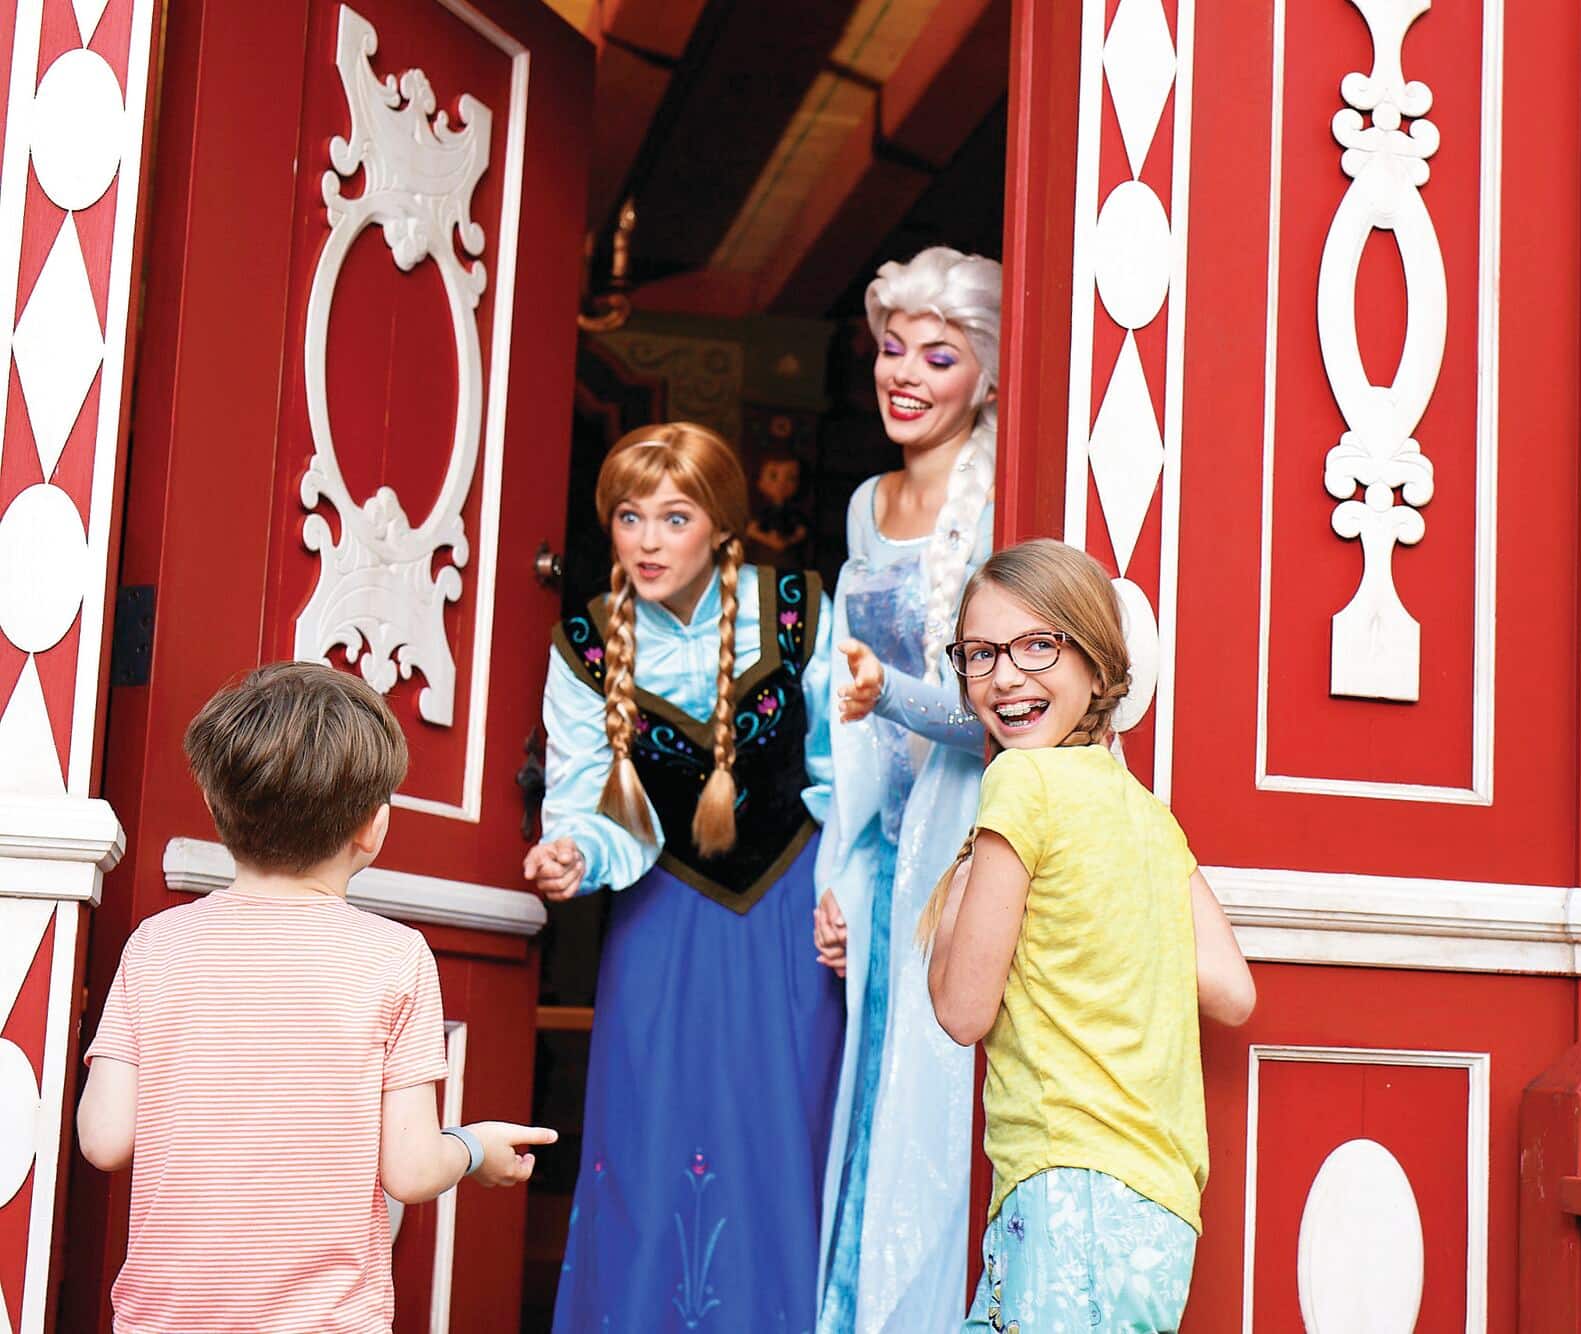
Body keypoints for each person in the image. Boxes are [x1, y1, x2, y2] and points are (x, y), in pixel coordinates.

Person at [75, 662, 551, 1333]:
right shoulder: (394, 957)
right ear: (373, 828)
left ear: (216, 808)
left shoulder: (157, 946)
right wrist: (473, 1149)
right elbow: (413, 1170)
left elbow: (104, 1139)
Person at [524, 422, 841, 1332]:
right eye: (630, 518)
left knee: (782, 1139)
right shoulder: (585, 644)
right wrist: (572, 855)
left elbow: (845, 780)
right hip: (661, 929)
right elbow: (589, 803)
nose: (649, 540)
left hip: (790, 920)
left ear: (720, 526)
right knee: (651, 1141)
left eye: (675, 516)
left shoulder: (800, 609)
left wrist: (850, 898)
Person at [921, 540, 1258, 1333]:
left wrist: (967, 868)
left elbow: (963, 1009)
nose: (1005, 676)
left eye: (1039, 646)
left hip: (1065, 1188)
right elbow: (1233, 991)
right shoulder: (1144, 813)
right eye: (980, 654)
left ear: (1099, 667)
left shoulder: (1021, 783)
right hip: (1159, 1205)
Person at [809, 245, 1000, 1332]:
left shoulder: (997, 499)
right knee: (872, 1104)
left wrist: (892, 692)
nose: (908, 372)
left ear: (983, 373)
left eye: (939, 353)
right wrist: (837, 875)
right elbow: (849, 720)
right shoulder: (864, 506)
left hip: (965, 836)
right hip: (881, 844)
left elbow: (994, 711)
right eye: (893, 348)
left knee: (939, 1101)